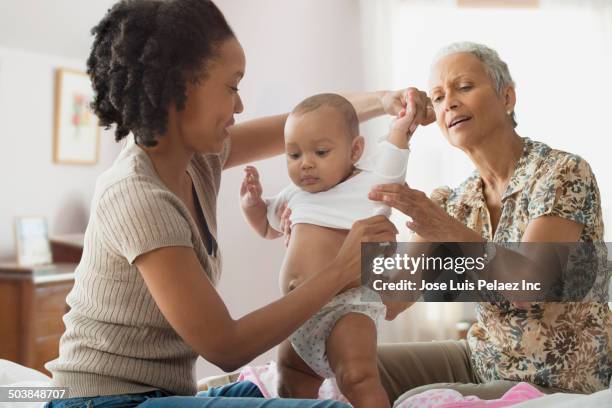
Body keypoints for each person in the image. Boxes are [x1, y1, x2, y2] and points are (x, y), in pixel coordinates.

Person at [43, 1, 430, 407]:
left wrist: (385, 100)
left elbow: (306, 123)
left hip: (164, 395)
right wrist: (340, 270)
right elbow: (226, 347)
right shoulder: (138, 196)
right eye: (232, 86)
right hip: (103, 401)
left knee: (278, 384)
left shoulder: (197, 158)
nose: (240, 106)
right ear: (180, 85)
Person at [367, 42, 611, 404]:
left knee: (420, 401)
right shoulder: (453, 201)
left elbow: (529, 286)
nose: (448, 102)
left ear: (507, 97)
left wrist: (446, 228)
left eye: (463, 87)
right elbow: (390, 300)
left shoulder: (560, 173)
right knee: (354, 368)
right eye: (437, 97)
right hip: (482, 359)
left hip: (557, 376)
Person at [239, 93, 430, 407]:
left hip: (347, 308)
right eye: (294, 155)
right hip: (297, 313)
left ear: (355, 150)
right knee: (288, 380)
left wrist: (402, 127)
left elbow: (394, 154)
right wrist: (252, 203)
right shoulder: (294, 195)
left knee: (357, 377)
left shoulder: (370, 186)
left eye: (321, 151)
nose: (306, 163)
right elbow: (266, 226)